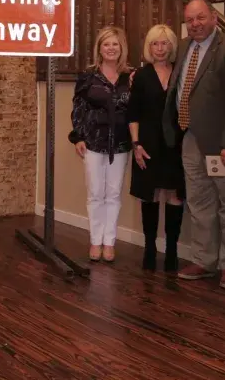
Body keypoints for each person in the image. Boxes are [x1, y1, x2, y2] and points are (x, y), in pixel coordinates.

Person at [163, 0, 225, 290]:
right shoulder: (184, 47)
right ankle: (203, 259)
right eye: (190, 20)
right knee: (199, 203)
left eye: (200, 17)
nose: (195, 24)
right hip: (189, 137)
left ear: (214, 17)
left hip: (221, 143)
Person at [69, 26, 132, 263]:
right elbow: (78, 109)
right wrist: (78, 137)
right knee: (95, 193)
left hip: (121, 143)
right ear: (99, 48)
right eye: (106, 44)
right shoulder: (88, 77)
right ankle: (95, 241)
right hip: (93, 142)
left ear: (121, 47)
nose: (111, 48)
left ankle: (109, 242)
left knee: (113, 194)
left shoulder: (130, 77)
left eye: (115, 44)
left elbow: (136, 110)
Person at [128, 24, 185, 272]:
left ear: (172, 46)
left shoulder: (181, 72)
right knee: (149, 195)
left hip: (176, 144)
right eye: (155, 44)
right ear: (148, 47)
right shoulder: (141, 76)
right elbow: (133, 114)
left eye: (165, 43)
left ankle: (172, 251)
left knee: (175, 196)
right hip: (147, 143)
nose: (160, 48)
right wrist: (136, 145)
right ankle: (149, 248)